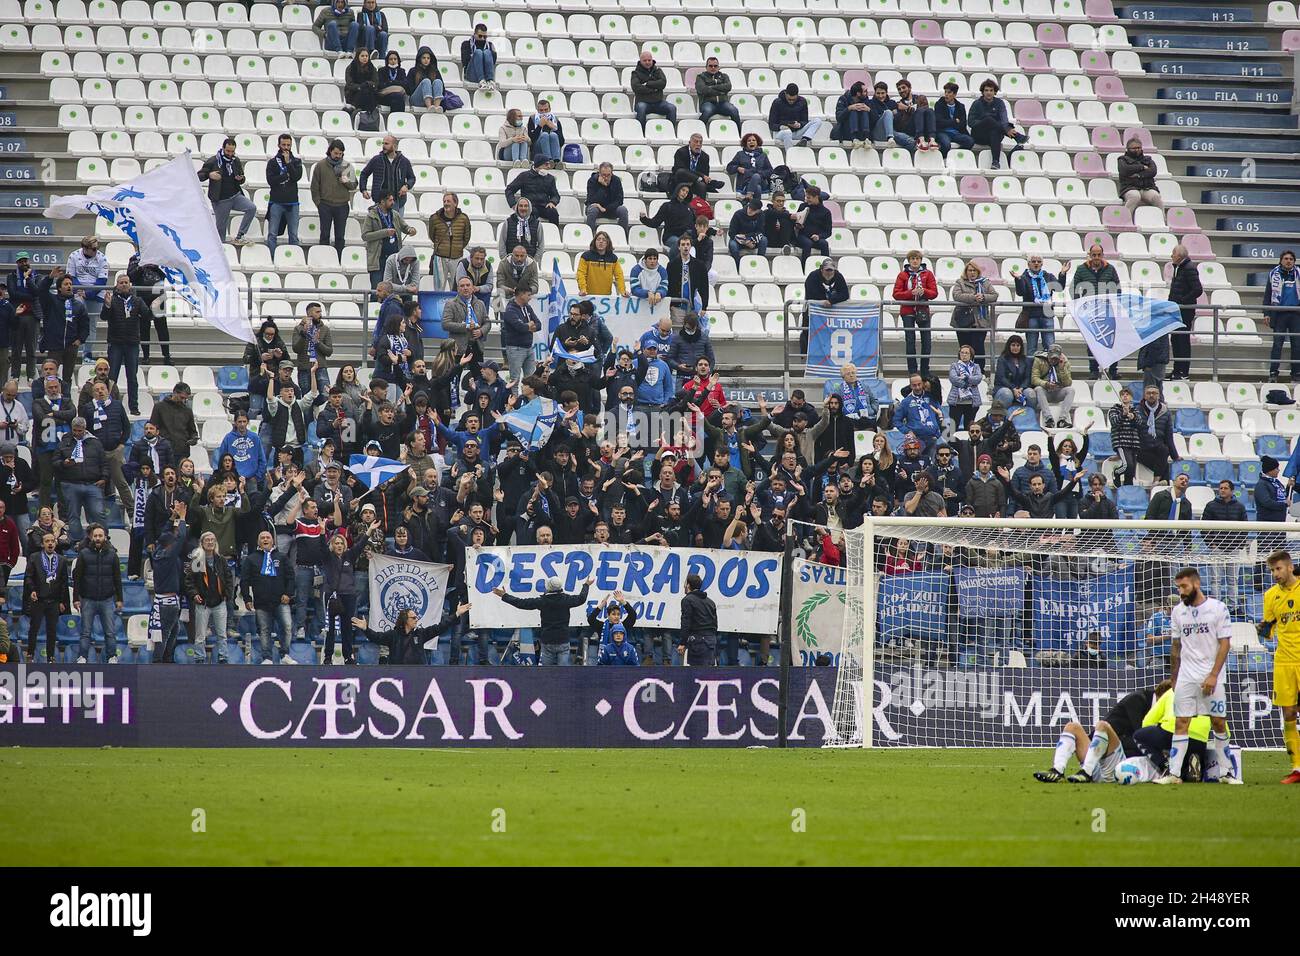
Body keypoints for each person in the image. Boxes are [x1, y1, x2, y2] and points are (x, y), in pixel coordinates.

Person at [1158, 568, 1235, 784]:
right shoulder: (1177, 612)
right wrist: (1174, 677)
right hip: (1186, 676)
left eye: (1184, 587)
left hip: (1212, 676)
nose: (1181, 592)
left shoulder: (1217, 608)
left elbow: (1225, 644)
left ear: (1196, 584)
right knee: (1181, 722)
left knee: (1218, 722)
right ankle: (1174, 774)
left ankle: (1226, 772)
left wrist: (1213, 675)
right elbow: (1176, 646)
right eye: (1178, 587)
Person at [1033, 682, 1169, 783]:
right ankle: (1057, 771)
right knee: (1072, 727)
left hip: (1117, 764)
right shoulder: (1139, 700)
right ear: (1162, 696)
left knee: (1102, 726)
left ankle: (1086, 772)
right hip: (1102, 756)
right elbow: (1139, 736)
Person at [1259, 550, 1300, 783]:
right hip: (1283, 661)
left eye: (1278, 569)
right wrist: (1262, 629)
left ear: (1290, 567)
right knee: (1288, 713)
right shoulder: (1270, 596)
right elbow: (1269, 629)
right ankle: (1297, 767)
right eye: (1272, 570)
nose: (1275, 574)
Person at [493, 576, 593, 665]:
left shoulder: (542, 601)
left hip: (547, 640)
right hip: (563, 640)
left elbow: (521, 603)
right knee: (563, 673)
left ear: (548, 587)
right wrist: (586, 585)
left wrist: (505, 596)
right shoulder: (566, 599)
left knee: (546, 674)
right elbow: (581, 598)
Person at [241, 530, 295, 664]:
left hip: (281, 601)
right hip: (261, 601)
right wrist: (247, 598)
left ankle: (285, 655)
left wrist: (288, 594)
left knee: (287, 626)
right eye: (262, 538)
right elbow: (245, 580)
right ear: (258, 542)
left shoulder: (282, 557)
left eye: (268, 537)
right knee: (264, 630)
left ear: (273, 541)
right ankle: (267, 657)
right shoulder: (251, 559)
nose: (265, 539)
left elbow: (291, 577)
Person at [72, 524, 122, 664]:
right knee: (85, 632)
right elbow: (78, 578)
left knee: (110, 632)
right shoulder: (83, 554)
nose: (98, 538)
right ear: (91, 537)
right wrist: (76, 598)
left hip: (107, 599)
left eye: (100, 536)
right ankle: (83, 657)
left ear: (105, 537)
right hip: (88, 599)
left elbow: (117, 578)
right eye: (95, 536)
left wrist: (119, 599)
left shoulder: (113, 555)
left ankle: (112, 656)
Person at [1072, 243, 1122, 377]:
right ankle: (1094, 371)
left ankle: (1113, 370)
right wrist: (1079, 305)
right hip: (1090, 312)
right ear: (1089, 255)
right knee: (1092, 342)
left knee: (1112, 341)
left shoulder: (1110, 269)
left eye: (1099, 255)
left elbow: (1118, 289)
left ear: (1103, 255)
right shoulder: (1081, 269)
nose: (1096, 257)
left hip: (1108, 311)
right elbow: (1074, 289)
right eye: (1094, 255)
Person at [198, 138, 256, 245]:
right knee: (221, 227)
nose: (230, 154)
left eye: (232, 151)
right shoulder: (213, 160)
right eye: (228, 151)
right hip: (220, 199)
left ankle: (240, 236)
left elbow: (242, 178)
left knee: (251, 208)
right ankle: (222, 249)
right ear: (223, 148)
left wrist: (240, 178)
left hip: (235, 195)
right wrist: (209, 174)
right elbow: (199, 176)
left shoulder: (235, 161)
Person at [101, 272, 144, 415]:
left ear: (130, 284)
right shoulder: (112, 299)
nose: (124, 284)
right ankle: (109, 404)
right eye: (121, 282)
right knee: (112, 376)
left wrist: (154, 306)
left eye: (126, 282)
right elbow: (103, 317)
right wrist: (107, 306)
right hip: (116, 343)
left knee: (132, 377)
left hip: (132, 343)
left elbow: (147, 315)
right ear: (117, 285)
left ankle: (134, 406)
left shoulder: (137, 300)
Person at [24, 529, 68, 663]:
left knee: (52, 630)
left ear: (55, 543)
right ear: (42, 544)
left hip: (54, 600)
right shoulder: (35, 557)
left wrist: (62, 601)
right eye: (47, 541)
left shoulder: (61, 560)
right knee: (34, 627)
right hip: (39, 599)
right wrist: (32, 590)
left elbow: (63, 582)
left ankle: (50, 657)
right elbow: (28, 577)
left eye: (52, 541)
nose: (50, 543)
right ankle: (30, 654)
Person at [40, 272, 87, 394]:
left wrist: (80, 339)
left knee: (67, 377)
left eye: (70, 284)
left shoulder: (79, 305)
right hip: (55, 345)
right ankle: (49, 401)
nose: (69, 286)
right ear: (59, 288)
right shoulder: (51, 301)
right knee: (50, 375)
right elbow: (42, 290)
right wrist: (50, 277)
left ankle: (66, 400)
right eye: (66, 284)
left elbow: (84, 325)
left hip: (71, 346)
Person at [892, 251, 938, 376]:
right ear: (908, 260)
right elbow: (896, 294)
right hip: (907, 310)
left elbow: (934, 293)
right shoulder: (902, 275)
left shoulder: (928, 274)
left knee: (926, 341)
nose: (915, 261)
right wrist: (910, 293)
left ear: (921, 260)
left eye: (917, 258)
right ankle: (912, 371)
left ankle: (924, 371)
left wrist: (924, 291)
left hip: (923, 310)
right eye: (912, 258)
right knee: (910, 341)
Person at [310, 139, 357, 259]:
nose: (338, 156)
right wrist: (318, 203)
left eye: (340, 154)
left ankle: (339, 259)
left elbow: (354, 185)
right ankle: (324, 258)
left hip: (342, 206)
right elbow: (314, 186)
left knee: (340, 236)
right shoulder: (320, 165)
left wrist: (346, 181)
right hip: (325, 205)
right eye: (336, 153)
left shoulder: (346, 166)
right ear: (330, 151)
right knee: (324, 234)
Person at [66, 235, 108, 365]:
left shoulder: (102, 258)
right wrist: (80, 291)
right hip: (78, 291)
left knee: (91, 325)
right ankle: (71, 352)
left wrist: (88, 293)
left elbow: (102, 280)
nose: (96, 251)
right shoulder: (74, 256)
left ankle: (87, 354)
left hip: (95, 294)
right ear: (85, 248)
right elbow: (71, 276)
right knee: (74, 322)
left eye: (97, 248)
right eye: (93, 249)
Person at [967, 79, 1028, 170]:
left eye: (991, 90)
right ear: (982, 92)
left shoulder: (999, 103)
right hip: (979, 135)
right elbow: (971, 122)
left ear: (995, 92)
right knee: (988, 119)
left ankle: (995, 162)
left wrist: (1002, 127)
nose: (989, 93)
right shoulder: (977, 104)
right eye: (986, 90)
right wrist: (984, 123)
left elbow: (1004, 120)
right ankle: (1017, 136)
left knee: (994, 131)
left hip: (995, 134)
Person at [363, 192, 416, 293]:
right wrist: (385, 233)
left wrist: (411, 229)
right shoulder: (371, 216)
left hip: (394, 260)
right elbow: (365, 236)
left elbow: (404, 227)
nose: (393, 202)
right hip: (378, 259)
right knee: (377, 290)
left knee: (393, 290)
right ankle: (375, 307)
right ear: (382, 202)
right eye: (390, 200)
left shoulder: (395, 214)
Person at [1013, 256, 1067, 356]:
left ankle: (1051, 371)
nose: (1036, 263)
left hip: (1047, 315)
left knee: (1051, 347)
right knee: (1031, 348)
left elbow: (1059, 287)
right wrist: (1018, 280)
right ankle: (1030, 371)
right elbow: (1021, 292)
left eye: (1039, 261)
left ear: (1042, 264)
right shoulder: (1024, 277)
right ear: (1028, 264)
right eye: (1033, 261)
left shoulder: (1048, 276)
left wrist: (1063, 274)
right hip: (1031, 316)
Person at [951, 260, 997, 371]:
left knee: (979, 349)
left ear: (978, 272)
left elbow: (994, 295)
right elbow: (957, 295)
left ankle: (979, 373)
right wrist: (973, 297)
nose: (972, 272)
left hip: (980, 322)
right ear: (966, 272)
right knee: (964, 349)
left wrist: (984, 297)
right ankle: (963, 372)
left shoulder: (985, 282)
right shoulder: (960, 282)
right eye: (970, 270)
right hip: (963, 321)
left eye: (974, 270)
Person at [1166, 245, 1203, 381]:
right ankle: (1177, 369)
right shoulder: (1179, 268)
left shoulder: (1189, 268)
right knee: (1175, 339)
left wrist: (1183, 300)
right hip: (1176, 310)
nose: (1171, 256)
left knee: (1182, 340)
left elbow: (1197, 289)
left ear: (1180, 256)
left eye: (1173, 254)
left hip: (1185, 311)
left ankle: (1184, 372)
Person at [264, 133, 303, 256]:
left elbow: (296, 177)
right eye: (283, 145)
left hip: (292, 203)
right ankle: (271, 257)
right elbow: (271, 181)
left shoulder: (296, 161)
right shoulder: (272, 162)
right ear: (279, 145)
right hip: (276, 202)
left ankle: (295, 258)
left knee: (293, 234)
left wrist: (288, 163)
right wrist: (284, 176)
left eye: (288, 145)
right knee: (272, 234)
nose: (286, 147)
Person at [1265, 249, 1299, 384]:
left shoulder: (1298, 274)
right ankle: (1273, 373)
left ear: (1294, 261)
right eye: (1286, 258)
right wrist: (1266, 313)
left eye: (1291, 259)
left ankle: (1296, 373)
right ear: (1281, 260)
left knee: (1297, 345)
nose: (1288, 261)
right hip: (1279, 314)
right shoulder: (1274, 275)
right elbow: (1268, 294)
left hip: (1296, 314)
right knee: (1277, 345)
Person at [359, 135, 416, 214]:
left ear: (394, 146)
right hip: (380, 202)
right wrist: (363, 189)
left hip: (398, 202)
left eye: (386, 144)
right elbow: (364, 174)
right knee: (380, 226)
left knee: (396, 226)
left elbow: (412, 178)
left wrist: (406, 186)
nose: (383, 146)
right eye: (383, 143)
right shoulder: (376, 160)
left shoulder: (404, 161)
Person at [7, 252, 40, 381]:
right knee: (16, 348)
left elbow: (37, 292)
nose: (24, 263)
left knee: (31, 348)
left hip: (33, 316)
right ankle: (15, 375)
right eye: (21, 261)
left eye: (25, 261)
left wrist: (28, 279)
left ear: (29, 261)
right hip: (17, 316)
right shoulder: (12, 276)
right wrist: (30, 296)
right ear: (17, 263)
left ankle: (31, 375)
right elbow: (13, 294)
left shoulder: (36, 276)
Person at [1135, 384, 1177, 483]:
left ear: (1158, 395)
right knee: (1164, 465)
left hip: (1158, 448)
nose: (1151, 395)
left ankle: (1156, 481)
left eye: (1154, 393)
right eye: (1148, 393)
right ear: (1144, 396)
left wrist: (1175, 456)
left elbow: (1168, 435)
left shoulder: (1165, 411)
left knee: (1164, 449)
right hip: (1141, 448)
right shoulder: (1136, 410)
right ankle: (1159, 482)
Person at [500, 288, 541, 388]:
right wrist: (528, 325)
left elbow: (539, 324)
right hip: (515, 349)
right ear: (521, 295)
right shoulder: (510, 310)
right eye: (528, 295)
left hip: (528, 347)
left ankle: (529, 401)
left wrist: (528, 326)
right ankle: (513, 401)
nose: (530, 297)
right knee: (515, 380)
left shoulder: (527, 307)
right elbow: (520, 327)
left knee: (531, 380)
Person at [149, 382, 198, 466]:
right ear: (175, 392)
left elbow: (192, 431)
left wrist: (194, 439)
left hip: (182, 450)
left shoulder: (187, 411)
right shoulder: (159, 407)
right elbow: (153, 427)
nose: (183, 400)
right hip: (163, 450)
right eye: (182, 397)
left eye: (186, 398)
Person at [505, 158, 561, 227]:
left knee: (553, 212)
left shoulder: (550, 178)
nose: (549, 167)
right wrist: (513, 204)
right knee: (531, 213)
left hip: (544, 206)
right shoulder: (524, 176)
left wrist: (552, 202)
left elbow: (555, 195)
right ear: (538, 165)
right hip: (529, 206)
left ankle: (554, 234)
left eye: (549, 164)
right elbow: (509, 190)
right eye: (546, 164)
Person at [678, 571, 718, 665]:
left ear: (688, 585)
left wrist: (683, 643)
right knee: (708, 674)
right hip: (711, 641)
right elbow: (715, 624)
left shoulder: (687, 600)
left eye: (685, 584)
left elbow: (686, 622)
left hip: (698, 642)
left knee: (696, 672)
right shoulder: (710, 602)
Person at [1031, 344, 1074, 431]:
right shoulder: (1039, 360)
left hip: (1058, 391)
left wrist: (1062, 369)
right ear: (1048, 354)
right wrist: (1046, 384)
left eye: (1056, 358)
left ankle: (1062, 420)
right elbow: (1034, 379)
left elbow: (1068, 383)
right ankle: (1048, 419)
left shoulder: (1065, 362)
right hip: (1045, 391)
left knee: (1071, 390)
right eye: (1052, 358)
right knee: (1038, 389)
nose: (1054, 360)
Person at [769, 83, 823, 148]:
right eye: (789, 99)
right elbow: (771, 124)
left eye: (793, 99)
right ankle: (790, 154)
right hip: (781, 132)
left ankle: (805, 139)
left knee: (818, 121)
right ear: (785, 94)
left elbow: (804, 121)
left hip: (797, 131)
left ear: (797, 95)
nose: (791, 101)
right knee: (787, 132)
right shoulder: (777, 102)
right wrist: (781, 126)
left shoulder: (802, 101)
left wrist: (799, 124)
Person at [1117, 137, 1162, 212]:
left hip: (1147, 188)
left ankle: (1162, 219)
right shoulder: (1122, 160)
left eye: (1139, 147)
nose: (1137, 150)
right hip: (1129, 188)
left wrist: (1138, 175)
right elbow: (1125, 170)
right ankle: (1126, 219)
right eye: (1134, 148)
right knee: (1135, 196)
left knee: (1156, 197)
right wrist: (1142, 167)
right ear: (1128, 149)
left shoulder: (1148, 159)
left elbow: (1153, 171)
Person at [631, 50, 675, 127]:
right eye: (644, 60)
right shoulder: (635, 73)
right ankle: (641, 133)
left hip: (658, 103)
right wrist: (654, 89)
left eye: (649, 60)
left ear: (652, 60)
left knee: (672, 108)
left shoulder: (657, 70)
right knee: (641, 108)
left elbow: (663, 83)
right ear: (640, 61)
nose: (647, 62)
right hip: (643, 102)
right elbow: (636, 87)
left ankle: (670, 131)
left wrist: (648, 84)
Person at [671, 132, 721, 200]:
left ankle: (701, 206)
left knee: (702, 185)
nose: (698, 144)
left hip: (695, 183)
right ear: (689, 142)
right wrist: (701, 176)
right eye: (696, 142)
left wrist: (702, 177)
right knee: (681, 171)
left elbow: (705, 174)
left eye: (700, 142)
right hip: (681, 180)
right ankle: (711, 183)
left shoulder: (705, 156)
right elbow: (679, 169)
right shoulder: (681, 152)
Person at [726, 133, 774, 202]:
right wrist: (737, 168)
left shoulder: (763, 155)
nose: (751, 142)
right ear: (745, 143)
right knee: (757, 188)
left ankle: (748, 197)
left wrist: (759, 174)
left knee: (756, 176)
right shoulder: (740, 154)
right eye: (749, 140)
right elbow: (729, 168)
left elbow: (770, 171)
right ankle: (755, 209)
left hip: (761, 181)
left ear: (757, 143)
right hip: (745, 183)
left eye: (754, 140)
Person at [577, 232, 627, 296]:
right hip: (587, 295)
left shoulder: (613, 258)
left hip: (606, 296)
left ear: (607, 243)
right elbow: (581, 274)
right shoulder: (586, 256)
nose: (601, 241)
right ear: (594, 242)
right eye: (598, 239)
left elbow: (619, 275)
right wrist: (582, 289)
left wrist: (623, 291)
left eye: (604, 240)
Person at [947, 344, 982, 432]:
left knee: (969, 427)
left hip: (971, 402)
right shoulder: (954, 365)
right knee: (953, 427)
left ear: (971, 355)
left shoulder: (976, 366)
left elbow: (978, 378)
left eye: (966, 353)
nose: (964, 355)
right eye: (962, 353)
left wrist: (967, 378)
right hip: (957, 401)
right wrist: (967, 384)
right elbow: (953, 378)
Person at [585, 162, 628, 233]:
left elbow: (620, 200)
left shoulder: (616, 180)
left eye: (608, 175)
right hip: (597, 209)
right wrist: (603, 187)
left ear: (612, 173)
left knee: (623, 210)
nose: (606, 178)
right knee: (592, 210)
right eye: (604, 175)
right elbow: (591, 200)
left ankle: (623, 236)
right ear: (599, 173)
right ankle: (590, 236)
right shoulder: (592, 180)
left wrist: (605, 208)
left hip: (611, 209)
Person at [695, 56, 740, 125]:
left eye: (715, 66)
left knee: (734, 110)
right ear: (706, 67)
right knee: (707, 112)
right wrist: (720, 92)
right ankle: (698, 131)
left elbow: (728, 87)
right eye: (710, 66)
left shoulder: (724, 76)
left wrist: (711, 87)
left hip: (723, 103)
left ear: (718, 67)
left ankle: (739, 133)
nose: (713, 68)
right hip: (708, 103)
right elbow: (703, 90)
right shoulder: (701, 77)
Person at [794, 186, 831, 264]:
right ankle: (804, 268)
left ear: (816, 197)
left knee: (824, 243)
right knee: (808, 243)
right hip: (802, 236)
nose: (806, 199)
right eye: (806, 197)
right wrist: (798, 225)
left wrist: (819, 236)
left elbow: (828, 232)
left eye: (809, 197)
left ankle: (827, 266)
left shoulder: (826, 212)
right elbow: (797, 222)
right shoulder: (803, 206)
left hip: (816, 238)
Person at [934, 82, 973, 156]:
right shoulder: (939, 104)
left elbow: (963, 124)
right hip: (943, 132)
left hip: (956, 133)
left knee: (970, 141)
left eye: (949, 92)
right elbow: (939, 122)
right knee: (946, 144)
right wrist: (954, 121)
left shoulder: (961, 106)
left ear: (955, 94)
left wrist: (948, 123)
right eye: (945, 92)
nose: (946, 94)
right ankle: (942, 158)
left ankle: (954, 156)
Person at [527, 97, 566, 167]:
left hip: (553, 149)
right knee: (545, 135)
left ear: (550, 109)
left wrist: (554, 128)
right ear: (537, 110)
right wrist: (539, 126)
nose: (544, 112)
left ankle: (556, 161)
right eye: (541, 110)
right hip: (537, 149)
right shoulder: (532, 119)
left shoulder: (555, 120)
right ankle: (548, 160)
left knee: (553, 135)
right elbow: (531, 140)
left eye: (546, 110)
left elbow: (561, 142)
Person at [728, 199, 768, 264]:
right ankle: (738, 266)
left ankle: (760, 263)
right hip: (739, 240)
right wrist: (745, 240)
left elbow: (760, 231)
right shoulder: (738, 214)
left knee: (764, 240)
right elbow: (732, 233)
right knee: (732, 244)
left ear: (758, 210)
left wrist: (752, 240)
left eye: (753, 209)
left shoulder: (761, 215)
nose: (750, 210)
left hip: (753, 239)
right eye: (750, 208)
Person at [833, 81, 871, 146]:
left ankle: (866, 138)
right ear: (858, 93)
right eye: (865, 91)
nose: (867, 93)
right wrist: (848, 108)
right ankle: (854, 138)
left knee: (864, 110)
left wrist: (869, 110)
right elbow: (839, 118)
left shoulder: (866, 100)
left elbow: (875, 120)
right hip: (846, 131)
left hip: (861, 131)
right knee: (853, 110)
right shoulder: (843, 99)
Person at [461, 22, 497, 90]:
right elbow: (465, 62)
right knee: (478, 52)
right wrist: (477, 56)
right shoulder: (466, 44)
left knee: (487, 52)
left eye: (485, 37)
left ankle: (490, 81)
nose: (483, 39)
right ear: (474, 34)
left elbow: (493, 63)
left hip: (486, 74)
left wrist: (491, 54)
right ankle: (481, 81)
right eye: (480, 36)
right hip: (472, 73)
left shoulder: (490, 45)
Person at [406, 45, 444, 110]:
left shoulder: (435, 71)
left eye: (428, 58)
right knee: (426, 81)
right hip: (417, 99)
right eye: (424, 58)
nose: (426, 60)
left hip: (433, 99)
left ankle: (436, 107)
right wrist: (423, 89)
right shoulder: (413, 71)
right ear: (420, 59)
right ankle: (429, 107)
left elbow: (443, 88)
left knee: (438, 81)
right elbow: (408, 89)